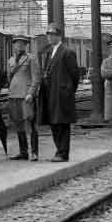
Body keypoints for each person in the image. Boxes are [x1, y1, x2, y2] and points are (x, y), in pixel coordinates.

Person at [39, 24, 81, 162]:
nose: (50, 37)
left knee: (62, 124)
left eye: (52, 35)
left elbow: (75, 74)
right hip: (51, 94)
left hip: (61, 94)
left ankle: (63, 153)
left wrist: (68, 90)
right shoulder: (51, 52)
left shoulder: (67, 52)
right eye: (48, 35)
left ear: (59, 36)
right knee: (54, 123)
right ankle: (59, 151)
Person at [5, 34, 41, 160]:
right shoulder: (10, 60)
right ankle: (23, 151)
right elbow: (9, 78)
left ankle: (34, 152)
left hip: (26, 96)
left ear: (26, 45)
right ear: (13, 45)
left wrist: (31, 93)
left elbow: (36, 78)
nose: (19, 45)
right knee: (18, 123)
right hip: (13, 95)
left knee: (29, 123)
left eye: (22, 43)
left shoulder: (31, 58)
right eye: (17, 43)